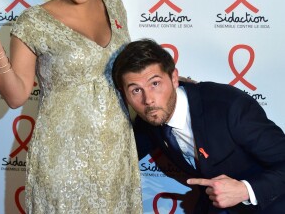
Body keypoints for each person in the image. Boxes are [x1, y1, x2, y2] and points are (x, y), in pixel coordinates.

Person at [0, 0, 142, 213]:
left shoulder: (115, 5)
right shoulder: (34, 21)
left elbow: (128, 70)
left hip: (115, 154)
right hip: (63, 160)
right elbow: (17, 95)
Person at [112, 38, 285, 214]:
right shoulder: (149, 119)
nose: (148, 99)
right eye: (136, 90)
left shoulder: (229, 107)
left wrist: (245, 190)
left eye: (155, 84)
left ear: (174, 78)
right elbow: (120, 156)